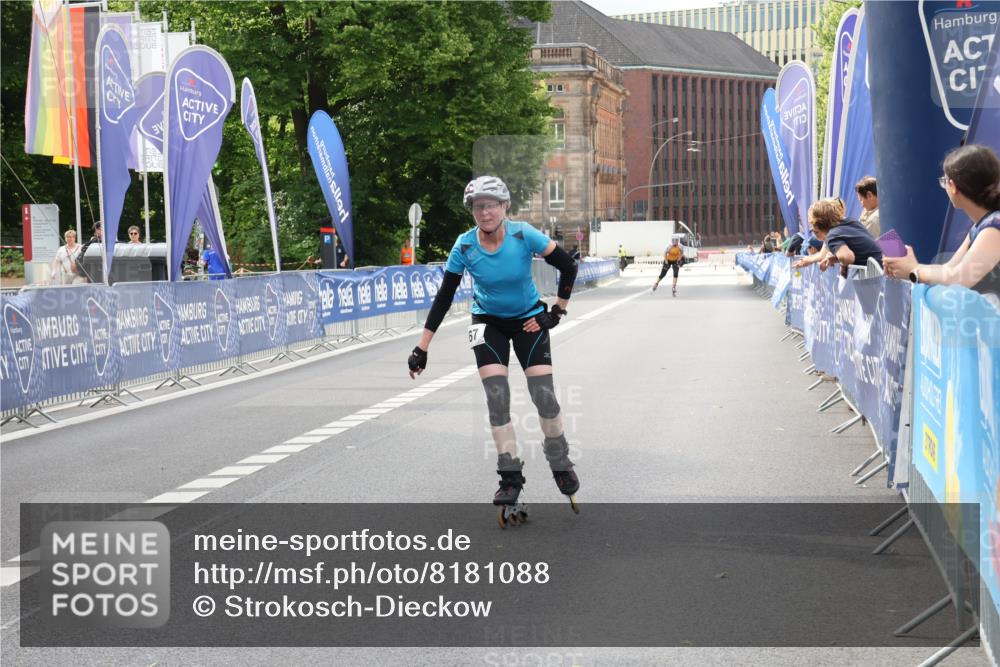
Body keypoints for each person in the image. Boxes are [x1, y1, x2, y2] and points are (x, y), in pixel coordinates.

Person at [406, 176, 580, 526]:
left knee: (543, 396)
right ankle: (510, 477)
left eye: (490, 205)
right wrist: (422, 346)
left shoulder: (523, 235)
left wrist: (555, 312)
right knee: (496, 396)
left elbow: (568, 264)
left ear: (504, 207)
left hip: (529, 320)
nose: (483, 212)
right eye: (477, 206)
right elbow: (443, 297)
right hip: (486, 323)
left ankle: (559, 460)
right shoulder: (464, 246)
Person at [884, 144, 1000, 303]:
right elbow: (949, 269)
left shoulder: (994, 225)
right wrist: (911, 267)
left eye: (944, 181)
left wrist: (914, 270)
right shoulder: (982, 226)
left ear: (952, 186)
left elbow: (959, 277)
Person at [794, 199, 882, 277]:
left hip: (873, 277)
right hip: (883, 270)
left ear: (818, 224)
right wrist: (835, 259)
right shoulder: (850, 222)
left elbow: (847, 257)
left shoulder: (832, 236)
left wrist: (843, 268)